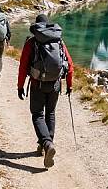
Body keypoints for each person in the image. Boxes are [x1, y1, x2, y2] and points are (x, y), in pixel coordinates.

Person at [17, 14, 74, 169]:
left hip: (37, 84)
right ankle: (46, 145)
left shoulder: (32, 42)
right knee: (50, 113)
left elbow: (23, 66)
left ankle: (47, 144)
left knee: (37, 114)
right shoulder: (59, 41)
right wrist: (69, 85)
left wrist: (20, 86)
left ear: (37, 26)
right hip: (55, 84)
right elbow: (69, 64)